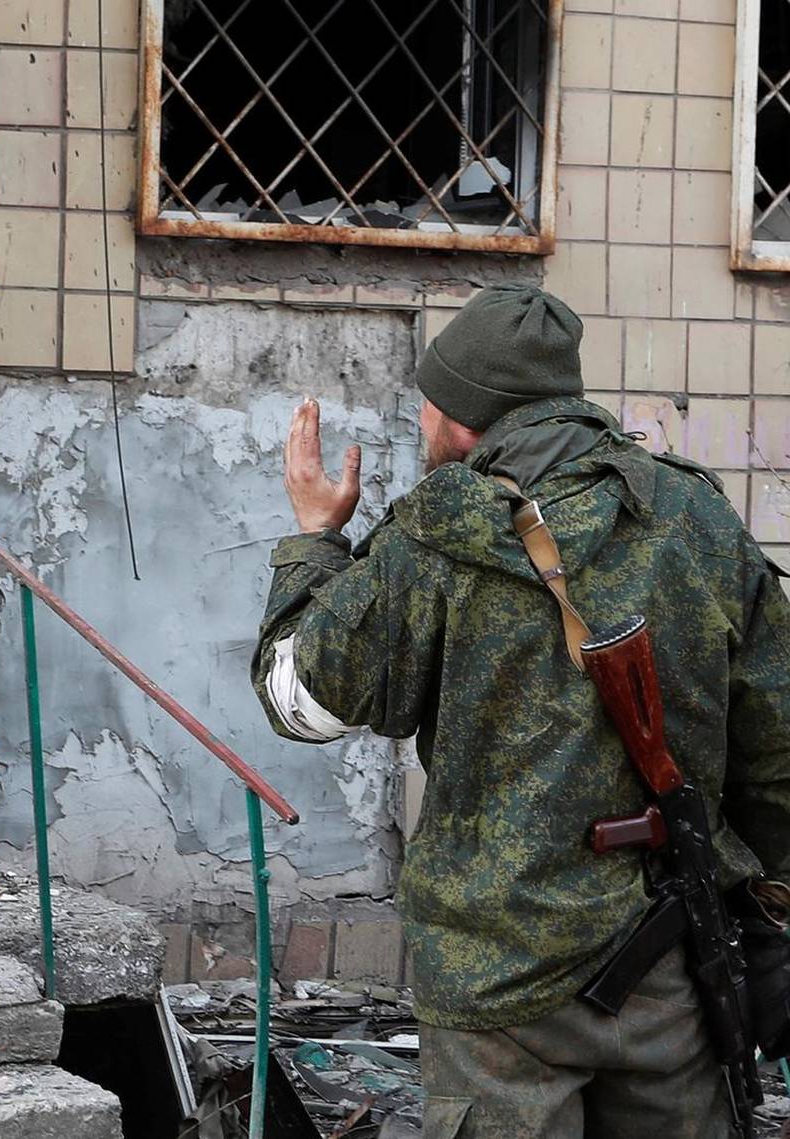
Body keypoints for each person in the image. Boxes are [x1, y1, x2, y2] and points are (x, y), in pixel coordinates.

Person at [252, 285, 790, 1138]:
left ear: (464, 418)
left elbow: (302, 701)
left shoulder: (432, 534)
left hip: (495, 988)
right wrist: (773, 915)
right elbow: (776, 746)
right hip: (671, 966)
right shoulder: (694, 513)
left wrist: (316, 540)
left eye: (431, 404)